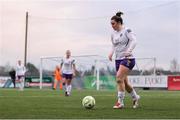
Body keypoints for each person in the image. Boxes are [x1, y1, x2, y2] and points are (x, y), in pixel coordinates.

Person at [108, 11, 140, 109]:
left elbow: (134, 40)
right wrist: (111, 53)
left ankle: (120, 102)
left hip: (128, 59)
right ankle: (135, 97)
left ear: (118, 22)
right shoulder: (113, 34)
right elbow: (114, 45)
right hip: (118, 60)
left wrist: (129, 51)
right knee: (124, 83)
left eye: (113, 23)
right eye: (111, 24)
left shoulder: (127, 30)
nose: (112, 25)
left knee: (118, 78)